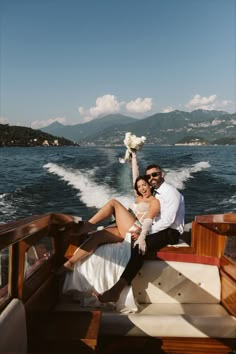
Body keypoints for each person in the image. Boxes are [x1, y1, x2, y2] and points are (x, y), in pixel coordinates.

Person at [96, 160, 185, 303]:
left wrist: (144, 232)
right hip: (155, 228)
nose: (151, 178)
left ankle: (117, 290)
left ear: (162, 174)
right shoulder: (155, 192)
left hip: (170, 232)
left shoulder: (171, 193)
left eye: (155, 174)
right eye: (149, 176)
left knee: (139, 246)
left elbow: (168, 221)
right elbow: (137, 182)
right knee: (127, 238)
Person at [64, 174, 160, 270]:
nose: (142, 189)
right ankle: (71, 262)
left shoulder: (154, 201)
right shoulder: (139, 198)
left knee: (113, 203)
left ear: (149, 185)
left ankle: (86, 227)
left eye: (144, 185)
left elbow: (148, 220)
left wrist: (142, 236)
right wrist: (133, 159)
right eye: (139, 186)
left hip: (135, 229)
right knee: (99, 236)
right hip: (125, 227)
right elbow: (135, 175)